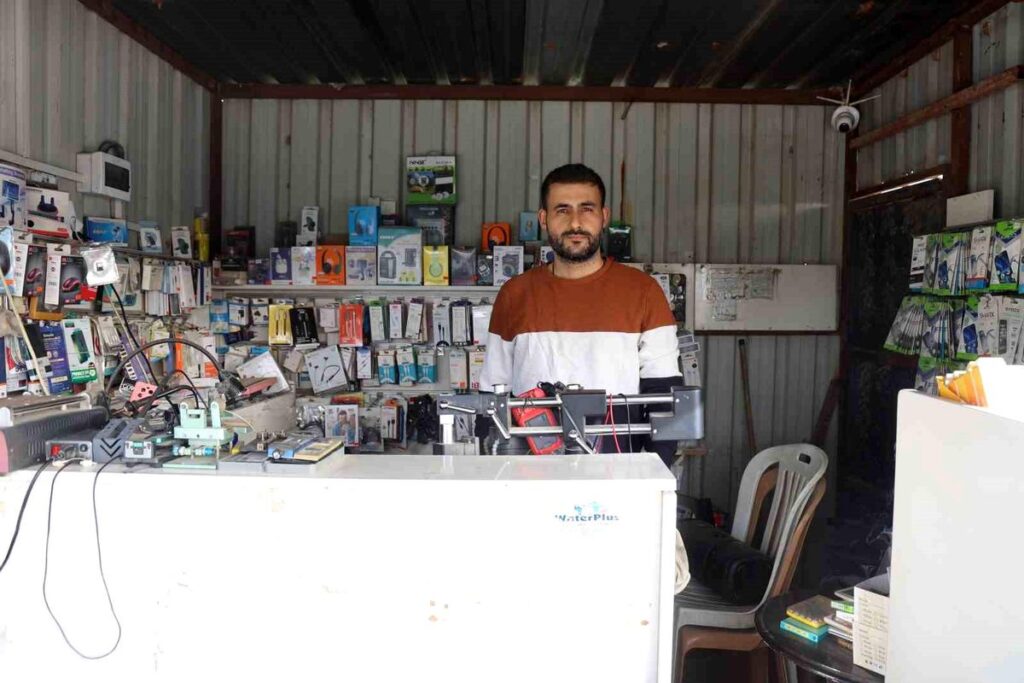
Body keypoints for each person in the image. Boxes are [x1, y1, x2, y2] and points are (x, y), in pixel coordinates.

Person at [479, 163, 683, 463]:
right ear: (543, 219)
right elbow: (492, 394)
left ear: (604, 217)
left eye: (587, 209)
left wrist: (652, 472)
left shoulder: (644, 292)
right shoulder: (514, 294)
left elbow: (664, 393)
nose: (575, 223)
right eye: (562, 210)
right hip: (531, 472)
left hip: (618, 469)